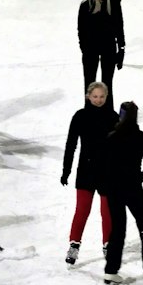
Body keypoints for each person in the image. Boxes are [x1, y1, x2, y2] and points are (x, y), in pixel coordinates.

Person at [99, 102, 143, 285]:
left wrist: (107, 186)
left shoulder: (111, 138)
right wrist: (136, 180)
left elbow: (103, 167)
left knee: (117, 229)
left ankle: (111, 271)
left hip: (113, 189)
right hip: (133, 188)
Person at [61, 80, 114, 266]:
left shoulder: (113, 117)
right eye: (95, 96)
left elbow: (120, 147)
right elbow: (71, 144)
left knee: (107, 212)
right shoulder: (80, 116)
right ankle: (74, 245)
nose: (98, 100)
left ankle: (108, 245)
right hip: (86, 170)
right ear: (88, 97)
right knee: (82, 210)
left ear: (106, 97)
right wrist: (66, 170)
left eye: (101, 97)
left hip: (107, 172)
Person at [77, 0, 124, 108]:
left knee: (107, 83)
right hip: (90, 49)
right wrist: (84, 48)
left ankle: (108, 113)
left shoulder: (113, 3)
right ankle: (89, 114)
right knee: (90, 83)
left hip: (108, 47)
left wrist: (121, 48)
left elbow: (119, 27)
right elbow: (81, 30)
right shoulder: (86, 5)